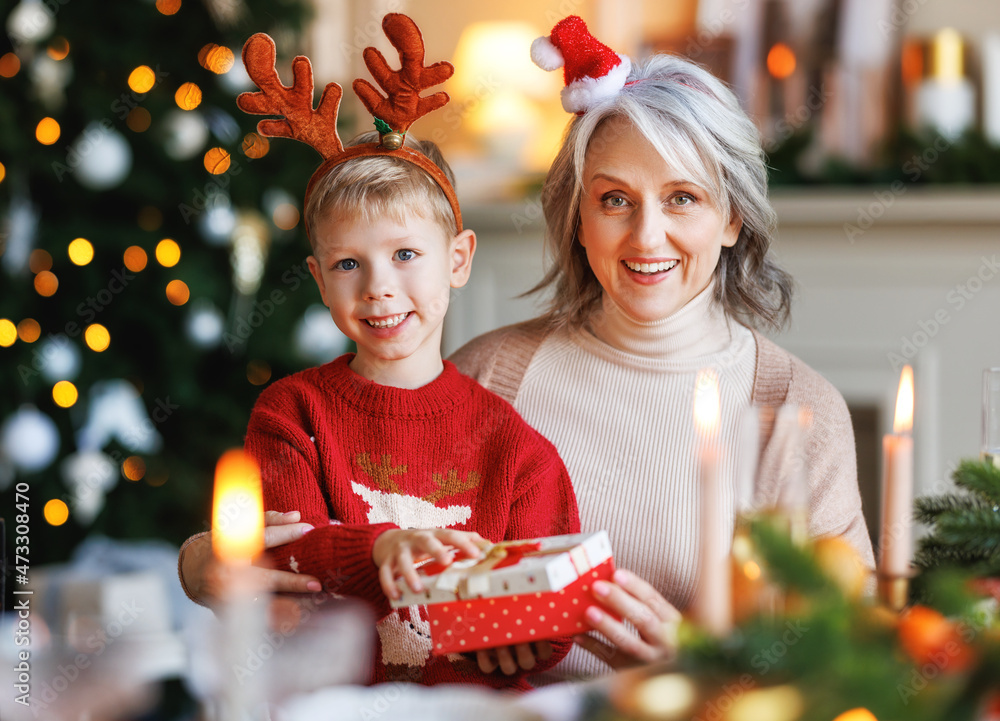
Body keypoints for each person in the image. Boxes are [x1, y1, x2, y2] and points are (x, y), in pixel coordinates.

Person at [180, 15, 873, 684]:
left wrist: (700, 667)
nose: (646, 237)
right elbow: (319, 536)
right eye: (614, 201)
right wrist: (201, 561)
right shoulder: (491, 375)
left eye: (683, 198)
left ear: (732, 217)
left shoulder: (796, 413)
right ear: (577, 218)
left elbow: (856, 664)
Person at [180, 18, 581, 692]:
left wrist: (526, 638)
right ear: (317, 279)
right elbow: (284, 555)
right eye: (347, 264)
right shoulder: (291, 412)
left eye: (405, 254)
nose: (379, 288)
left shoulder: (516, 448)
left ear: (458, 260)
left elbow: (551, 599)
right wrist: (379, 546)